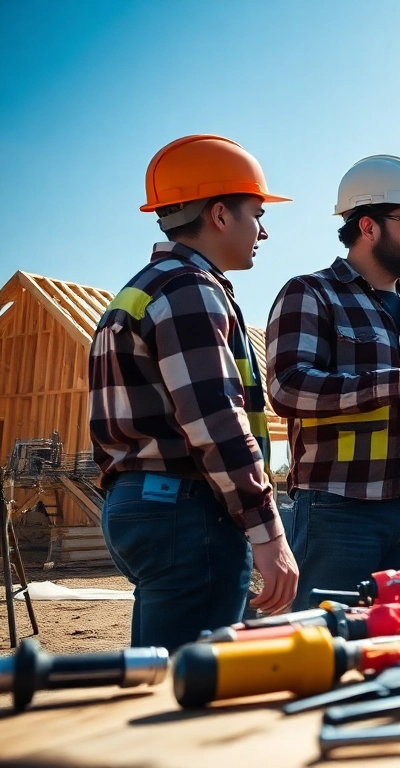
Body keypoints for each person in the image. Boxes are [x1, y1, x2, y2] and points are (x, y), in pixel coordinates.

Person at [90, 135, 299, 650]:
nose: (264, 231)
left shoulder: (143, 288)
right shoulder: (189, 289)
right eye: (256, 213)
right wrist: (268, 533)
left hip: (143, 502)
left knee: (157, 672)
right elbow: (215, 419)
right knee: (192, 688)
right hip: (187, 509)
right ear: (220, 214)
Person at [266, 154, 400, 609]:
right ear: (367, 226)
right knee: (327, 644)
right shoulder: (310, 293)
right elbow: (288, 388)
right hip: (338, 510)